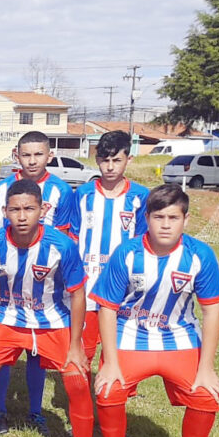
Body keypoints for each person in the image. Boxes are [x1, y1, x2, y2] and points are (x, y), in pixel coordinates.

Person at [92, 184, 219, 437]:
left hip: (178, 337)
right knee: (108, 389)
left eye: (173, 217)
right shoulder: (127, 253)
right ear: (146, 219)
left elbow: (212, 313)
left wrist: (207, 368)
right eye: (159, 217)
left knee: (207, 396)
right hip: (130, 335)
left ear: (185, 220)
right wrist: (110, 363)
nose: (166, 224)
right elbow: (107, 309)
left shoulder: (200, 255)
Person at [0, 179, 96, 437]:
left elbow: (78, 294)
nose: (22, 216)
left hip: (52, 320)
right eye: (15, 210)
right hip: (8, 318)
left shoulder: (62, 245)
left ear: (42, 209)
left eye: (29, 208)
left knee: (78, 379)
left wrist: (76, 343)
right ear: (5, 212)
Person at [0, 130, 79, 437]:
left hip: (46, 284)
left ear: (49, 155)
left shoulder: (62, 191)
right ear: (16, 155)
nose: (32, 160)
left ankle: (35, 411)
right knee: (3, 352)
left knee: (37, 353)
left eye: (39, 154)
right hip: (7, 281)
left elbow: (65, 240)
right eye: (27, 154)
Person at [73, 131, 149, 363]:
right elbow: (74, 237)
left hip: (122, 284)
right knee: (82, 349)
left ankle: (109, 395)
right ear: (97, 160)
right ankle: (82, 397)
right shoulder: (82, 194)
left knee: (116, 347)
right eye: (105, 160)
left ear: (129, 159)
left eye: (116, 160)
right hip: (87, 282)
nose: (110, 167)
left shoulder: (140, 196)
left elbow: (142, 240)